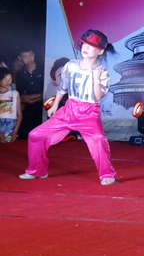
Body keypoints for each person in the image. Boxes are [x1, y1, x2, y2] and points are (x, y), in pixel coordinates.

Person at [20, 30, 117, 185]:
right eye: (84, 44)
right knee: (35, 135)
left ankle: (106, 175)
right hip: (69, 109)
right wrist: (55, 105)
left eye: (91, 46)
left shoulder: (102, 72)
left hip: (89, 113)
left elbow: (97, 97)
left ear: (100, 51)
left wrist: (96, 79)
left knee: (98, 139)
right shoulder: (71, 65)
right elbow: (63, 87)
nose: (86, 48)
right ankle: (37, 170)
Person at [15, 49, 44, 139]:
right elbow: (22, 97)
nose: (29, 58)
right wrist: (41, 95)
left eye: (30, 55)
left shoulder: (43, 68)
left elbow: (49, 92)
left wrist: (36, 97)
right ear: (20, 58)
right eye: (25, 56)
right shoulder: (20, 74)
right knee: (26, 135)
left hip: (44, 106)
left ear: (34, 54)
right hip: (28, 109)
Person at [0, 67, 22, 142]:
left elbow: (19, 115)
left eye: (10, 78)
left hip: (11, 125)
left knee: (9, 145)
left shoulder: (15, 94)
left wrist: (15, 131)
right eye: (5, 79)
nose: (8, 81)